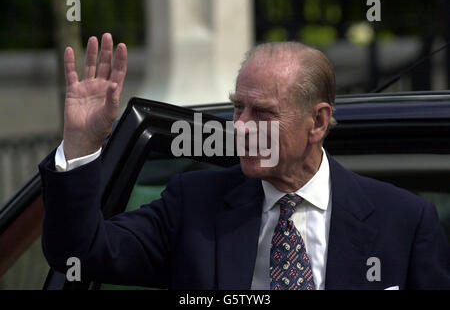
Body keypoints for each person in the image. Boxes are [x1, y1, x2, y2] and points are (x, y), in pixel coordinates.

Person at [39, 33, 450, 290]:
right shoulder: (194, 206)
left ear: (318, 121)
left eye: (264, 113)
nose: (242, 127)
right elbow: (81, 253)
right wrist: (80, 144)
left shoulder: (405, 222)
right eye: (238, 109)